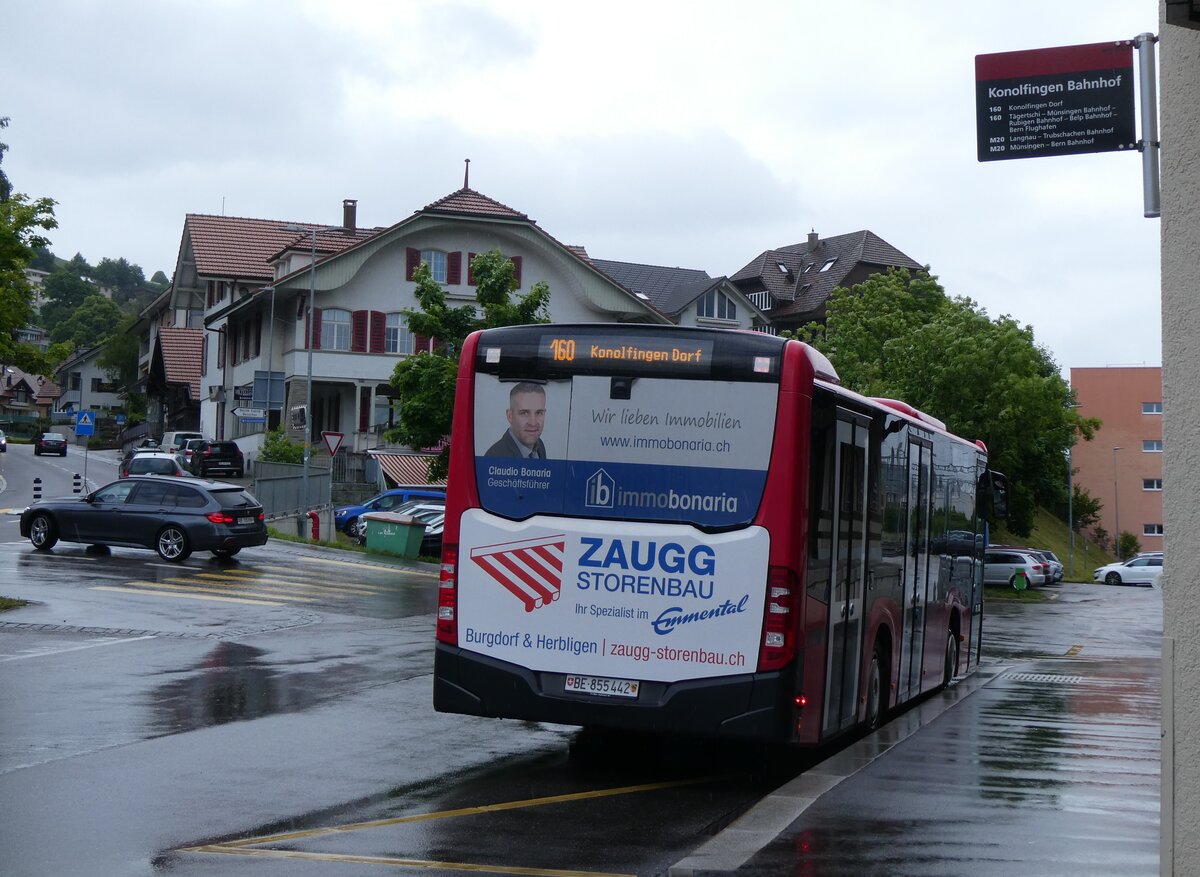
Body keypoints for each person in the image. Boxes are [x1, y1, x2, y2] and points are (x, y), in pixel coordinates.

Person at [486, 382, 547, 458]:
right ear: (510, 416)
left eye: (539, 412)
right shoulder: (495, 456)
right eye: (524, 413)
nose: (533, 423)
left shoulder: (539, 445)